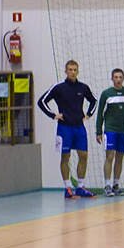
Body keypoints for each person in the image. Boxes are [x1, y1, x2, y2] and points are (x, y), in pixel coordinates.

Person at [37, 60, 98, 198]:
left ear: (78, 71)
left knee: (83, 155)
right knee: (65, 156)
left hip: (79, 127)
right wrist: (53, 115)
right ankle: (68, 188)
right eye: (70, 69)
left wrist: (88, 114)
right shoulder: (59, 87)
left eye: (75, 70)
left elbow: (94, 101)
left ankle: (80, 187)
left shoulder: (83, 87)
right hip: (64, 128)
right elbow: (41, 101)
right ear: (66, 71)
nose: (72, 72)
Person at [95, 68, 124, 196]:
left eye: (120, 77)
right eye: (116, 77)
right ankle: (107, 185)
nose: (118, 79)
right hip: (110, 130)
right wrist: (98, 131)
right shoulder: (106, 94)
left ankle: (116, 184)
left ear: (123, 78)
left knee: (120, 157)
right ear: (112, 78)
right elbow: (100, 113)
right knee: (110, 156)